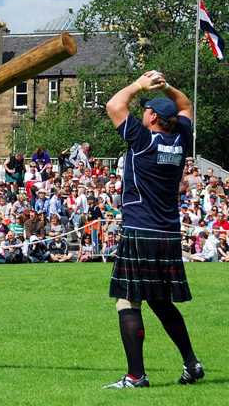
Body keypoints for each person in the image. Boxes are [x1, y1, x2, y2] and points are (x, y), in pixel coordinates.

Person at [103, 71, 203, 389]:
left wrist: (139, 85)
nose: (143, 111)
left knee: (127, 301)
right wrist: (168, 87)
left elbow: (114, 105)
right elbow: (185, 105)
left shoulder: (144, 141)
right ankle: (192, 364)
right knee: (160, 301)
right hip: (168, 233)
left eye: (147, 108)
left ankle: (136, 377)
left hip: (139, 230)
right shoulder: (181, 140)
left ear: (153, 117)